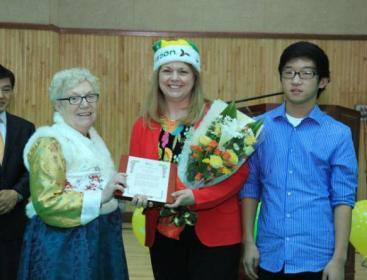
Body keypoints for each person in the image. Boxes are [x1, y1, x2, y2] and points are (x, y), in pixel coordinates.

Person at [129, 38, 249, 280]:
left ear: (195, 77)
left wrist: (196, 196)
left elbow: (238, 174)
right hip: (163, 234)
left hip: (215, 234)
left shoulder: (218, 119)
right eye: (167, 70)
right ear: (157, 76)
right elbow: (138, 174)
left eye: (183, 71)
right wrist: (138, 194)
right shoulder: (143, 124)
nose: (175, 78)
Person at [240, 41, 358, 280]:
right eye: (289, 73)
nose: (295, 80)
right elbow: (250, 188)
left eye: (306, 73)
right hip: (269, 253)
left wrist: (339, 259)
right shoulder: (259, 127)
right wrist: (248, 242)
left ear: (322, 81)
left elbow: (343, 199)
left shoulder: (338, 133)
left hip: (316, 257)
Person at [17, 68, 129, 280]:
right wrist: (100, 197)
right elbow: (47, 202)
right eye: (74, 98)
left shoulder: (94, 140)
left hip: (99, 238)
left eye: (90, 96)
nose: (85, 104)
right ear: (58, 105)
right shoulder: (49, 143)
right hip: (63, 244)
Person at [0, 64, 35, 280]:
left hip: (13, 228)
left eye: (6, 89)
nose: (1, 95)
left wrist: (16, 193)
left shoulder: (25, 128)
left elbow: (33, 171)